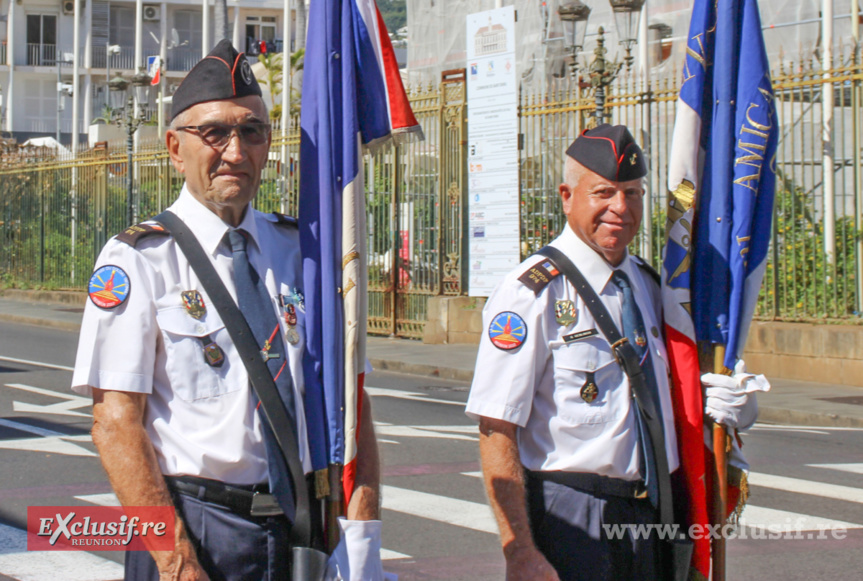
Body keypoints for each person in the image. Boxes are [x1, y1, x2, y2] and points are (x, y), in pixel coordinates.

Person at [72, 40, 380, 580]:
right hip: (195, 529)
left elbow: (354, 406)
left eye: (252, 131)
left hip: (299, 531)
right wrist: (176, 562)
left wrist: (363, 539)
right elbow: (115, 424)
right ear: (174, 147)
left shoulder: (304, 253)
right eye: (214, 132)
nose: (236, 151)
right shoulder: (140, 260)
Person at [466, 124, 764, 580]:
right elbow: (496, 427)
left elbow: (677, 388)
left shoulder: (650, 287)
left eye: (633, 192)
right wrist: (519, 549)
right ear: (567, 196)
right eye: (604, 192)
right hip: (572, 517)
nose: (620, 208)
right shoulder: (532, 293)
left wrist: (730, 398)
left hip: (654, 514)